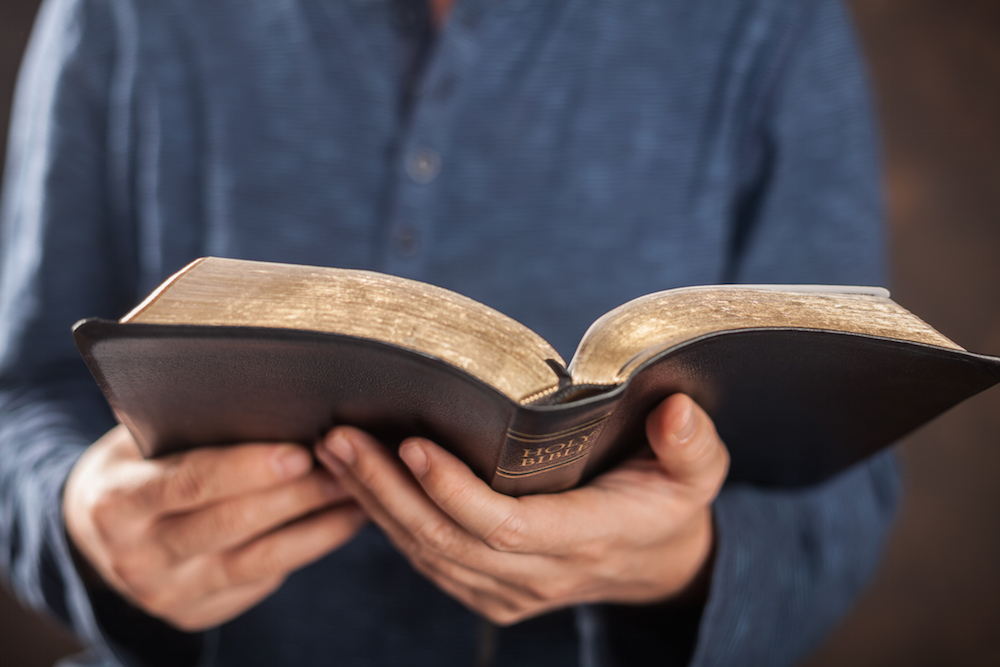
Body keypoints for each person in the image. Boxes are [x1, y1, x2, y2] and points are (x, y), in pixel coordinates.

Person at [0, 0, 900, 665]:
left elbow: (844, 490)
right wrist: (80, 526)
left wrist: (680, 567)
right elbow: (21, 398)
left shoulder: (774, 26)